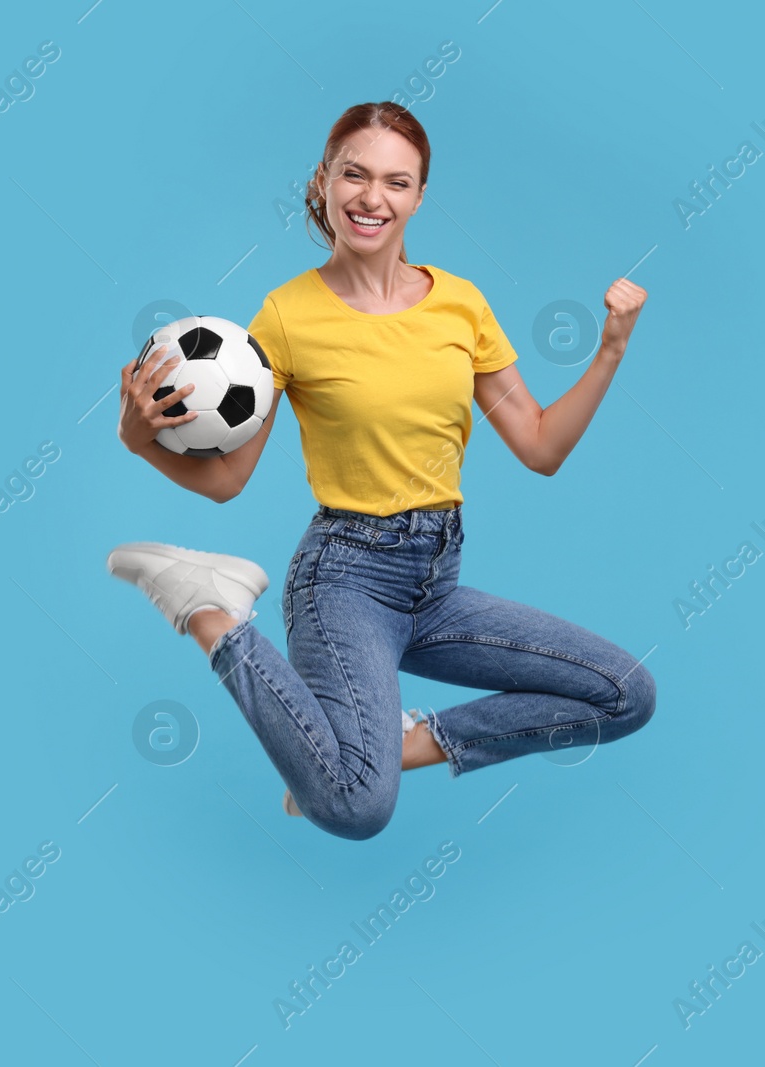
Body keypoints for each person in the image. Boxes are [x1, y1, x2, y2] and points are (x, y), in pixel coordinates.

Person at [107, 101, 655, 841]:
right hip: (345, 581)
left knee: (625, 693)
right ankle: (210, 612)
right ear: (323, 182)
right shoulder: (287, 315)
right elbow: (230, 477)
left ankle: (384, 751)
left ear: (420, 196)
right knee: (358, 808)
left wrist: (610, 352)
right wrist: (141, 440)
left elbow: (540, 446)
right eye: (354, 175)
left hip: (437, 582)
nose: (372, 198)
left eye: (396, 182)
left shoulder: (461, 304)